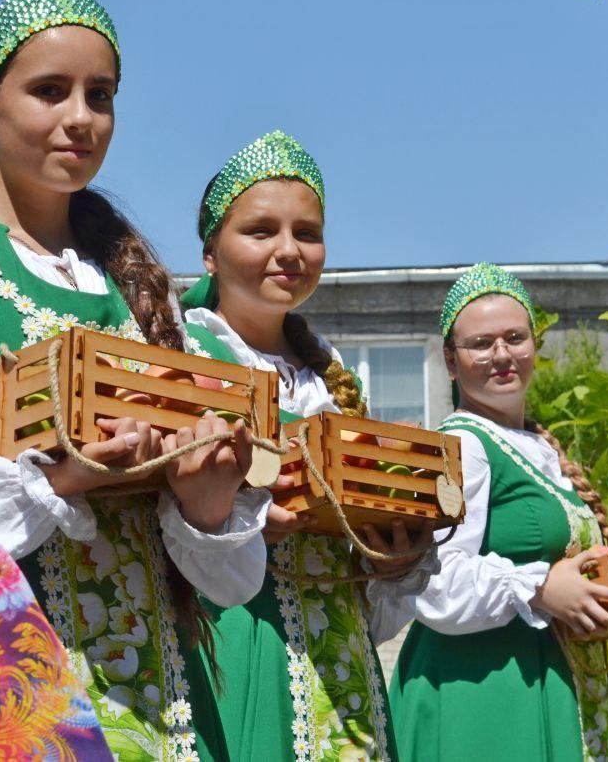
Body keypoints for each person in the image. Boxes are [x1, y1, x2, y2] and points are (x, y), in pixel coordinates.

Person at [0, 0, 270, 760]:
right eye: (50, 91)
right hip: (6, 675)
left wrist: (205, 502)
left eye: (101, 94)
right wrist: (58, 479)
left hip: (169, 697)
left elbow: (226, 580)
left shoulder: (141, 291)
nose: (80, 118)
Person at [180, 130, 436, 760]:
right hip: (233, 640)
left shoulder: (332, 378)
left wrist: (391, 558)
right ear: (211, 253)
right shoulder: (178, 353)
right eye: (261, 231)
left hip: (342, 658)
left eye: (308, 233)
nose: (288, 251)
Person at [389, 263, 608, 761]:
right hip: (483, 690)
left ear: (534, 346)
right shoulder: (463, 444)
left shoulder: (535, 445)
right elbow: (434, 584)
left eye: (515, 338)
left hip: (544, 677)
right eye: (481, 343)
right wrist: (540, 587)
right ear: (451, 364)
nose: (501, 355)